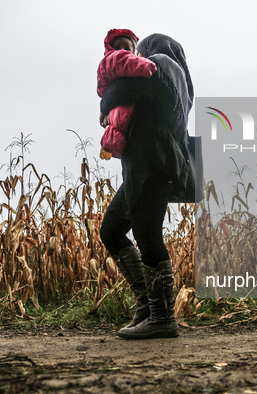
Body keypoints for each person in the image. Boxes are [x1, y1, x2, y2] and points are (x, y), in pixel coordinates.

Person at [98, 33, 194, 339]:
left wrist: (104, 103)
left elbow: (122, 88)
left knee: (146, 234)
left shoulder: (163, 64)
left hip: (154, 161)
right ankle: (148, 306)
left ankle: (162, 317)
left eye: (142, 50)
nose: (139, 56)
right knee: (112, 229)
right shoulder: (178, 80)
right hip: (145, 165)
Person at [96, 29, 157, 159]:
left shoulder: (121, 65)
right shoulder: (114, 59)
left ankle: (111, 145)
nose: (122, 51)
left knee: (118, 125)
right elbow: (127, 63)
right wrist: (147, 67)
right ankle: (112, 144)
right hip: (120, 105)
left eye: (127, 48)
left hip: (119, 106)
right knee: (120, 121)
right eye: (117, 47)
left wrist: (105, 109)